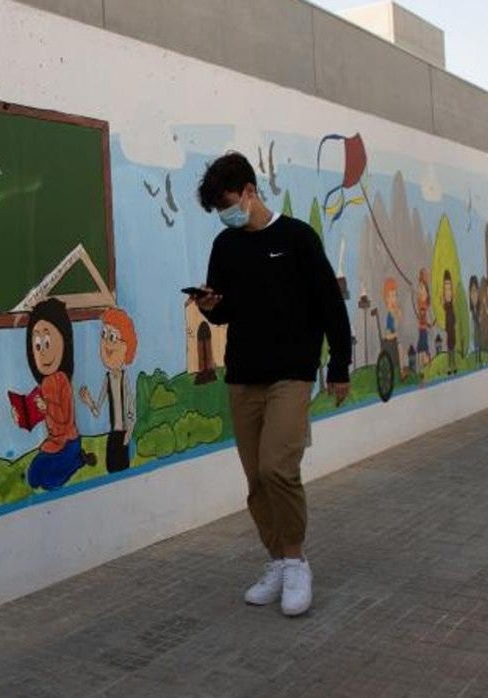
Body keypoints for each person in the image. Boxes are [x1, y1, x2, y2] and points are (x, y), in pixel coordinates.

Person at [194, 152, 351, 617]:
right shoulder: (225, 246)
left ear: (249, 191)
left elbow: (330, 306)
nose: (226, 214)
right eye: (219, 209)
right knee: (255, 482)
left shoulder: (298, 238)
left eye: (228, 203)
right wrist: (208, 306)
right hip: (243, 376)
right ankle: (278, 563)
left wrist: (339, 365)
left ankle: (298, 560)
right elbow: (225, 311)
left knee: (276, 470)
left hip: (291, 375)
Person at [23, 298, 96, 491]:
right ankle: (72, 460)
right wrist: (23, 414)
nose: (43, 352)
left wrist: (47, 407)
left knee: (48, 482)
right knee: (33, 477)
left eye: (47, 342)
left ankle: (77, 460)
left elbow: (64, 418)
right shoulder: (45, 383)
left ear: (64, 341)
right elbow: (42, 416)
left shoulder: (62, 380)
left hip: (68, 442)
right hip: (53, 443)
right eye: (37, 346)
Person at [80, 308, 138, 474]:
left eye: (112, 337)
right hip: (113, 435)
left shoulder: (124, 379)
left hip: (123, 435)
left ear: (126, 347)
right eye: (104, 335)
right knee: (112, 469)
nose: (106, 343)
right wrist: (89, 401)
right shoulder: (107, 379)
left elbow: (131, 410)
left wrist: (129, 434)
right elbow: (98, 410)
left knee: (123, 471)